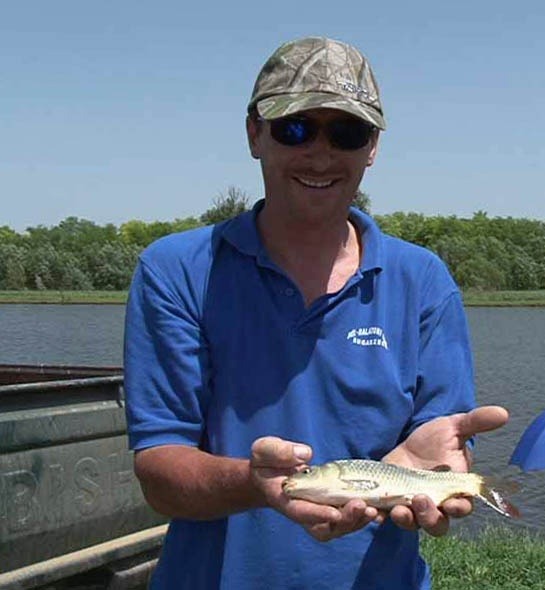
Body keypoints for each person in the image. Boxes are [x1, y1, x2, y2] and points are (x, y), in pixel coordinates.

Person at [124, 36, 509, 590]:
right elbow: (160, 472)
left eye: (346, 132)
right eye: (296, 127)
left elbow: (442, 442)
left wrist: (446, 469)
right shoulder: (177, 271)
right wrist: (255, 483)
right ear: (255, 133)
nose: (321, 154)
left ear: (372, 146)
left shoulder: (423, 281)